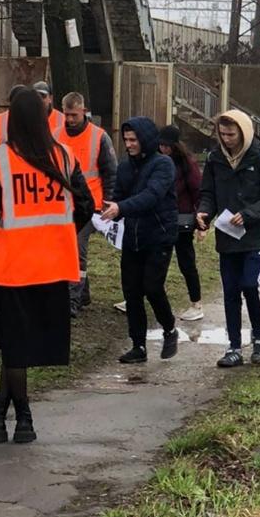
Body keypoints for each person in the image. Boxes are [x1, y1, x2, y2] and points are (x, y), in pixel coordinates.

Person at [0, 87, 94, 444]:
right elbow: (85, 206)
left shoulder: (0, 159)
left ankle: (20, 418)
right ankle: (1, 417)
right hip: (53, 265)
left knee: (13, 344)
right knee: (18, 345)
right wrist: (58, 231)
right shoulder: (65, 157)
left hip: (14, 265)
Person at [197, 110, 260, 368]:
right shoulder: (215, 159)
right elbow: (208, 194)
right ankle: (233, 346)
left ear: (244, 132)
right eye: (222, 134)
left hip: (256, 235)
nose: (227, 140)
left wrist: (248, 215)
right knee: (230, 291)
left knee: (249, 284)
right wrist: (204, 212)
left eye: (231, 134)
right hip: (227, 236)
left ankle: (258, 337)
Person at [102, 116, 178, 364]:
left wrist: (120, 208)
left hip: (159, 236)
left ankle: (169, 329)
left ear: (145, 139)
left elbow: (151, 196)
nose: (129, 144)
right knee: (132, 292)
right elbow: (118, 196)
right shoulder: (124, 167)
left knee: (152, 287)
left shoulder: (163, 165)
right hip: (132, 238)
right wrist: (104, 209)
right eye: (126, 140)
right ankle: (138, 345)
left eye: (133, 139)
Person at [60, 91, 117, 317]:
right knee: (68, 249)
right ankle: (82, 294)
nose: (70, 119)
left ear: (83, 111)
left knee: (77, 251)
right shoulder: (55, 134)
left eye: (74, 115)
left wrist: (109, 203)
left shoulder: (99, 137)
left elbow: (110, 172)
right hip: (63, 205)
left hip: (90, 206)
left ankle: (72, 299)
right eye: (66, 114)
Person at [157, 124, 204, 321]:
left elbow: (197, 191)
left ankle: (196, 303)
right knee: (156, 261)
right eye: (161, 145)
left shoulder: (187, 164)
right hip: (161, 220)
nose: (163, 149)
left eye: (167, 146)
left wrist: (201, 222)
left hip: (183, 220)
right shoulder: (157, 161)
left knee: (186, 263)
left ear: (175, 145)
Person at [0, 80, 65, 173]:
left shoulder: (60, 119)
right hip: (4, 175)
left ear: (50, 98)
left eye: (43, 96)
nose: (39, 100)